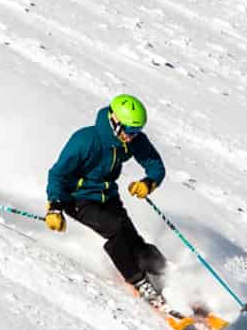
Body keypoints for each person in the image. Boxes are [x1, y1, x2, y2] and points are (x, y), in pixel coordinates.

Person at [45, 94, 170, 305]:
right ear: (114, 122)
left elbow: (155, 164)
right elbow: (57, 174)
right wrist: (54, 207)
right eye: (129, 131)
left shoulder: (132, 140)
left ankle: (166, 275)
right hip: (77, 199)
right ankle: (139, 282)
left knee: (134, 241)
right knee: (116, 230)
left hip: (108, 196)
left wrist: (148, 183)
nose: (132, 136)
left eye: (136, 131)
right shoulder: (85, 140)